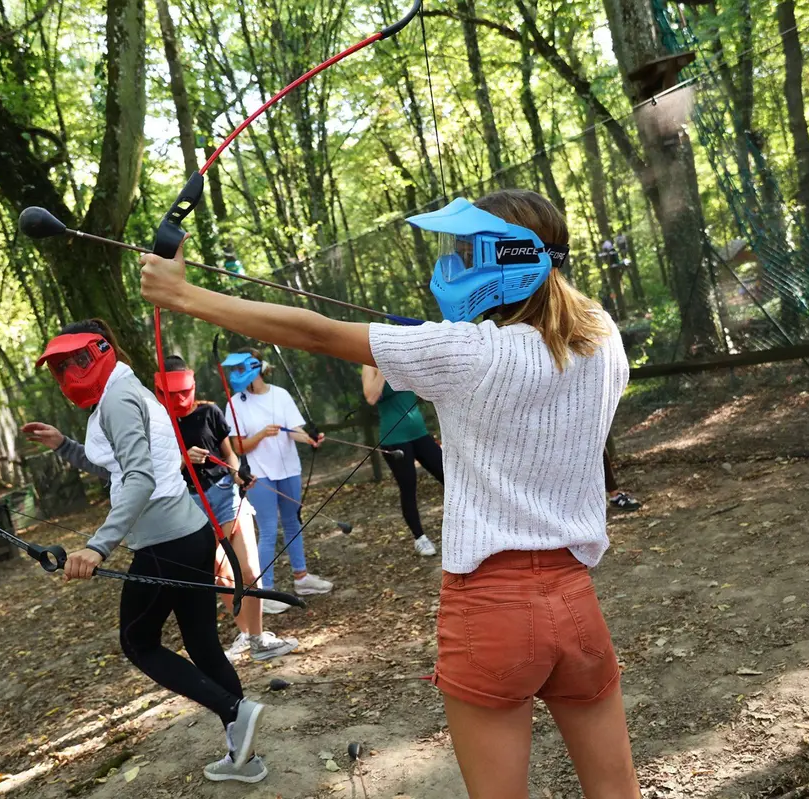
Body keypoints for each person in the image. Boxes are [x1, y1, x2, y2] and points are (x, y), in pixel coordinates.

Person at [140, 190, 640, 798]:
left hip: (492, 607)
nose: (455, 264)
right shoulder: (603, 337)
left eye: (467, 250)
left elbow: (318, 333)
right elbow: (557, 316)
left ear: (506, 259)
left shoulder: (470, 353)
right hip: (574, 599)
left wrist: (183, 295)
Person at [21, 319, 267, 784]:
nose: (70, 373)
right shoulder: (126, 389)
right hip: (191, 534)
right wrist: (64, 445)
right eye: (60, 366)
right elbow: (122, 468)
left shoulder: (117, 397)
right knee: (201, 644)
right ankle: (245, 758)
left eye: (78, 360)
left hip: (164, 542)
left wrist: (97, 548)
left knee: (138, 641)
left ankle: (235, 709)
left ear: (101, 350)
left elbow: (139, 479)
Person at [159, 354, 299, 661]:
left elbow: (229, 453)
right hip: (191, 504)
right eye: (173, 393)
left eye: (185, 390)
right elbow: (156, 471)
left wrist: (238, 473)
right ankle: (246, 633)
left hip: (226, 494)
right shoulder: (158, 423)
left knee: (248, 570)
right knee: (221, 574)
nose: (181, 398)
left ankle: (259, 639)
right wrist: (183, 460)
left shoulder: (209, 411)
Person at [219, 350, 332, 614]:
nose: (235, 375)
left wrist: (311, 439)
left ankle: (301, 578)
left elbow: (294, 431)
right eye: (232, 371)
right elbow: (238, 446)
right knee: (268, 529)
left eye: (239, 369)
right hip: (260, 474)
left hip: (289, 469)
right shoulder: (235, 403)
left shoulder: (280, 395)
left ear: (255, 368)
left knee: (293, 522)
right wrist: (260, 435)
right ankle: (264, 591)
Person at [360, 364, 443, 556]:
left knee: (449, 477)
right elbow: (371, 397)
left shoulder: (401, 355)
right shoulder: (368, 365)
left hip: (420, 433)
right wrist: (382, 365)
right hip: (394, 438)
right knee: (408, 487)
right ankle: (419, 538)